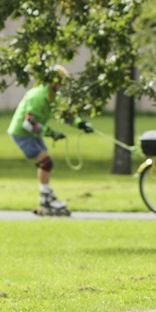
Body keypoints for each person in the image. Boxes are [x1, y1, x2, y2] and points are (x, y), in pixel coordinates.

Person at [7, 65, 94, 214]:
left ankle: (45, 197)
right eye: (59, 80)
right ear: (52, 80)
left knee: (46, 163)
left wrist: (80, 123)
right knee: (46, 161)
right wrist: (51, 133)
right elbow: (29, 123)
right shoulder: (38, 96)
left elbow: (65, 115)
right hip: (22, 133)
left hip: (32, 133)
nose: (61, 84)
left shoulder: (54, 95)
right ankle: (46, 198)